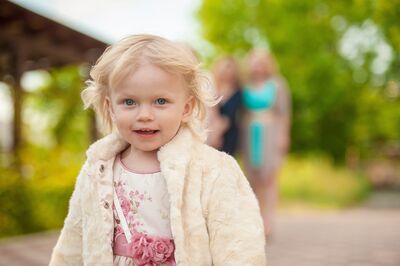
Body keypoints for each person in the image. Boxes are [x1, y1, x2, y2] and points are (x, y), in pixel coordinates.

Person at [49, 35, 266, 266]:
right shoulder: (98, 169)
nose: (145, 115)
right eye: (129, 102)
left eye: (160, 101)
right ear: (110, 107)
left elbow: (240, 245)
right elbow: (73, 239)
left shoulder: (214, 170)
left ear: (187, 107)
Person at [242, 49, 291, 237]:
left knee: (269, 178)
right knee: (253, 179)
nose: (258, 66)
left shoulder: (277, 84)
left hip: (270, 133)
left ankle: (269, 221)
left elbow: (284, 113)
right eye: (255, 62)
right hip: (249, 134)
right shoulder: (246, 85)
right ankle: (256, 220)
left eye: (262, 63)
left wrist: (283, 136)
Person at [208, 56, 242, 156]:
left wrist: (216, 135)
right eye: (224, 67)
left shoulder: (238, 92)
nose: (226, 70)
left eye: (229, 67)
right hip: (210, 131)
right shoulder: (212, 88)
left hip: (229, 134)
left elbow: (230, 117)